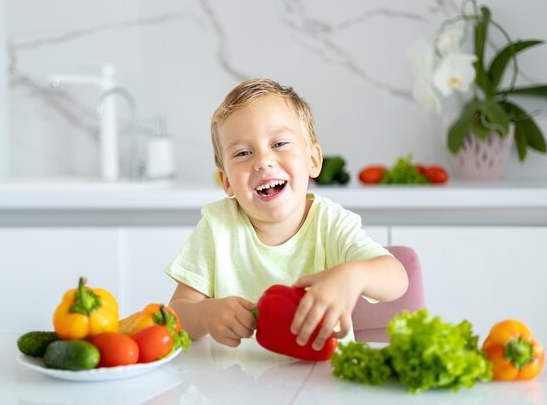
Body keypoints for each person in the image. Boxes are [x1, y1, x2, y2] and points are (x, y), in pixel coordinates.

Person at [166, 78, 408, 351]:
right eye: (243, 153)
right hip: (235, 386)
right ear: (227, 182)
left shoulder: (331, 223)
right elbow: (175, 316)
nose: (262, 162)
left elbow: (397, 278)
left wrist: (354, 276)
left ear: (313, 160)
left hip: (323, 383)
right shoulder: (217, 226)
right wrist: (204, 314)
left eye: (279, 144)